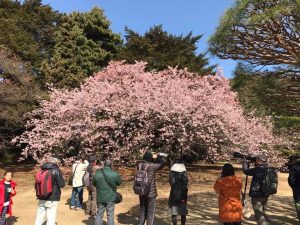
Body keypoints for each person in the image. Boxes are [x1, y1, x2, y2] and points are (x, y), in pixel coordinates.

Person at [35, 154, 65, 225]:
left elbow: (36, 183)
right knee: (51, 217)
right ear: (58, 162)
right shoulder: (56, 170)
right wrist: (63, 179)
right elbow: (61, 185)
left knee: (40, 216)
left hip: (41, 196)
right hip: (52, 197)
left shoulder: (42, 169)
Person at [137, 151, 165, 225]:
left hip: (141, 191)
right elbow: (162, 163)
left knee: (142, 210)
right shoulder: (152, 166)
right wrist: (157, 157)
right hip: (150, 193)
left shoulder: (139, 165)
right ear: (150, 158)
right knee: (150, 212)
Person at [93, 159, 122, 225]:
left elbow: (94, 184)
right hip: (111, 196)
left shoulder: (97, 173)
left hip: (100, 197)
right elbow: (119, 183)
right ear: (111, 165)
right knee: (110, 215)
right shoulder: (114, 173)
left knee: (99, 214)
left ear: (104, 165)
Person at [243, 154, 270, 225]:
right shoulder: (267, 167)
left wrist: (245, 163)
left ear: (259, 160)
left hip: (257, 195)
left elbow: (246, 171)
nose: (255, 160)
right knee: (263, 212)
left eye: (256, 159)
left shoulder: (259, 169)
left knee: (259, 216)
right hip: (265, 194)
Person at [168, 159, 188, 225]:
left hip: (173, 194)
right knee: (183, 212)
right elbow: (186, 182)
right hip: (183, 194)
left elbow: (171, 183)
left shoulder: (171, 172)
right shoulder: (184, 172)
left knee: (174, 213)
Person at [288, 154, 300, 222]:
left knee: (298, 206)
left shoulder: (294, 167)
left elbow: (291, 180)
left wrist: (294, 187)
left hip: (298, 191)